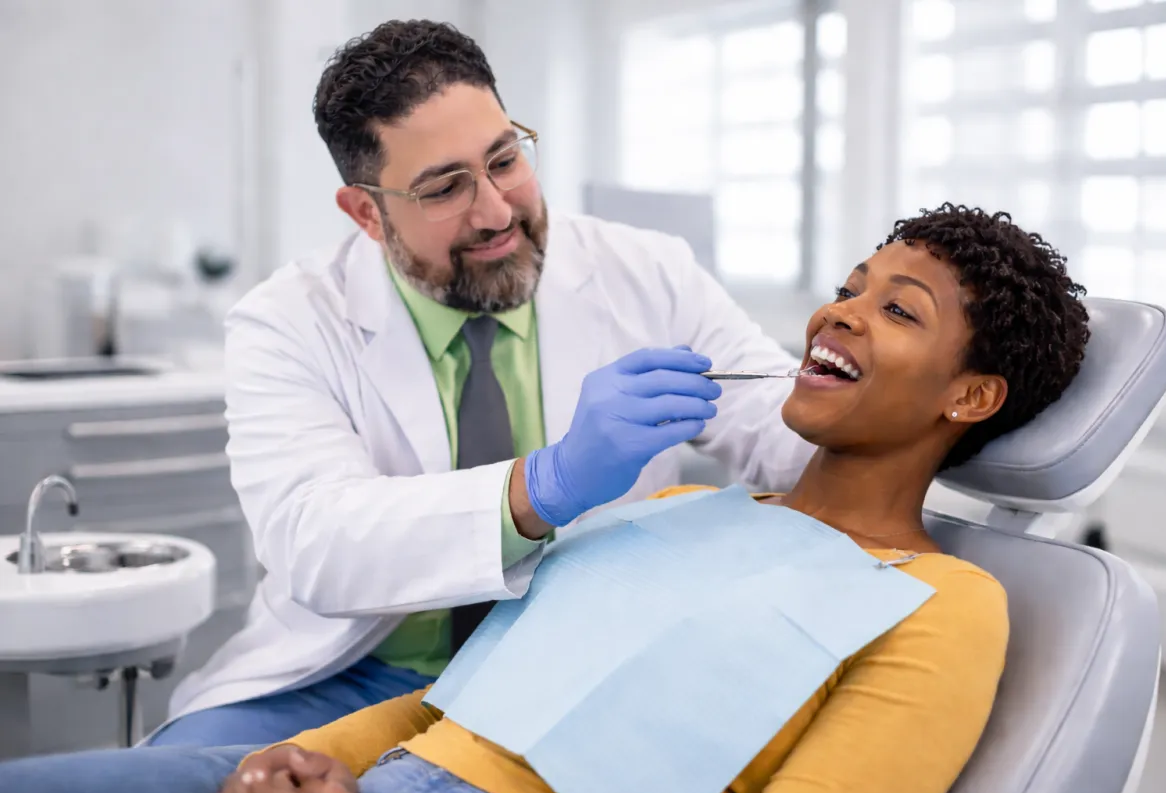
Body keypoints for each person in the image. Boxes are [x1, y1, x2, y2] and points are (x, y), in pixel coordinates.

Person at [0, 203, 1091, 793]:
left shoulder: (945, 604)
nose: (838, 312)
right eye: (849, 283)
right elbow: (451, 708)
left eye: (894, 308)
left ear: (973, 394)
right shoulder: (667, 508)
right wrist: (306, 762)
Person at [152, 19, 816, 747]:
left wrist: (928, 411)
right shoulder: (287, 322)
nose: (497, 211)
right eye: (444, 188)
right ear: (367, 213)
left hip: (579, 663)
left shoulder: (650, 273)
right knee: (192, 775)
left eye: (505, 160)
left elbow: (779, 421)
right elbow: (315, 543)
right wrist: (544, 484)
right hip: (350, 674)